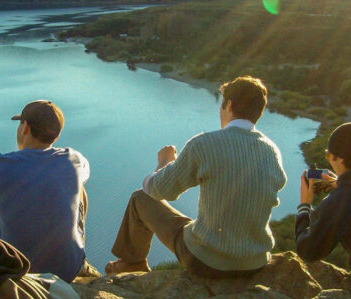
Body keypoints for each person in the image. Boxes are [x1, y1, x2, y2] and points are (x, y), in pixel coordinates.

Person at [105, 75, 287, 277]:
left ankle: (132, 265)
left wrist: (164, 162)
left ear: (228, 105)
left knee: (140, 198)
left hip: (207, 261)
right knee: (201, 224)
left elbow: (158, 189)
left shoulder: (204, 144)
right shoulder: (272, 152)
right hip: (255, 263)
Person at [0, 100, 98, 282]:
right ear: (56, 135)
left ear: (25, 128)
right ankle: (74, 251)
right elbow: (79, 174)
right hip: (69, 268)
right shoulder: (74, 159)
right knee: (79, 187)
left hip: (16, 270)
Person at [295, 122, 351, 284]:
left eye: (327, 154)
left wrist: (304, 206)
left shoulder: (341, 201)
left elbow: (309, 250)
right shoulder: (347, 194)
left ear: (339, 159)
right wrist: (343, 183)